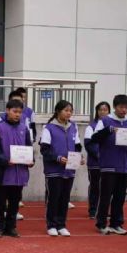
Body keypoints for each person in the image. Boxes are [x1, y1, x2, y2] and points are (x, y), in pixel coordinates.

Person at [91, 94, 127, 235]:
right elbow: (94, 138)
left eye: (126, 107)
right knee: (105, 196)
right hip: (108, 165)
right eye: (121, 107)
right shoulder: (105, 121)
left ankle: (116, 224)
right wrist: (108, 130)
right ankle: (101, 223)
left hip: (125, 165)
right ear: (115, 107)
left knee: (120, 197)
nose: (124, 110)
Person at [0, 98, 33, 238]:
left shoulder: (24, 128)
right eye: (15, 111)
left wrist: (30, 160)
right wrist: (5, 160)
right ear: (7, 110)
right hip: (3, 172)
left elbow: (29, 148)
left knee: (15, 202)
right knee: (0, 202)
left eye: (20, 112)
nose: (17, 114)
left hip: (19, 173)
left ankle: (11, 227)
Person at [40, 100, 83, 237]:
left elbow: (77, 146)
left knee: (65, 199)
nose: (69, 113)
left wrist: (79, 157)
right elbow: (44, 150)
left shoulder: (73, 127)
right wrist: (58, 158)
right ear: (58, 111)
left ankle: (61, 225)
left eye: (70, 111)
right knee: (54, 198)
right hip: (53, 170)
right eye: (66, 110)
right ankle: (51, 225)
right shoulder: (48, 128)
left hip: (69, 170)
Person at [84, 102, 111, 219]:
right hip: (95, 163)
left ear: (109, 111)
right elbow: (88, 144)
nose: (103, 112)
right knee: (95, 187)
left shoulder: (112, 126)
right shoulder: (91, 126)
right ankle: (93, 210)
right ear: (97, 111)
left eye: (105, 109)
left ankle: (103, 211)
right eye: (100, 109)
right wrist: (99, 155)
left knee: (107, 188)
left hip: (109, 164)